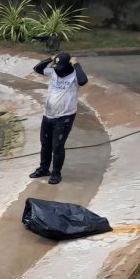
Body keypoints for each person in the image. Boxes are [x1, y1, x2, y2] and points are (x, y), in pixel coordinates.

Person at [29, 52, 88, 185]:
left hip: (64, 117)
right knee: (45, 143)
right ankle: (44, 169)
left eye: (60, 67)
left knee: (57, 146)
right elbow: (37, 68)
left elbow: (83, 80)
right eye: (56, 66)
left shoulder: (74, 76)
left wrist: (76, 63)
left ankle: (56, 173)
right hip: (48, 115)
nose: (58, 70)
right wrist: (51, 58)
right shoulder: (53, 72)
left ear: (68, 65)